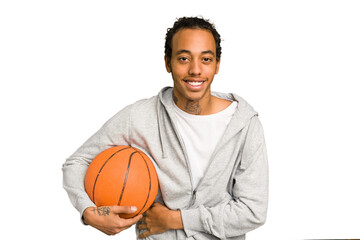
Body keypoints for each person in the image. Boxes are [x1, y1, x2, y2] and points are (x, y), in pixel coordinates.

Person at [62, 16, 268, 240]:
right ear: (168, 62)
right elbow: (77, 162)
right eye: (183, 58)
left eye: (206, 59)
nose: (195, 70)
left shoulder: (245, 124)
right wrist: (89, 213)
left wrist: (175, 219)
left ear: (217, 64)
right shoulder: (140, 117)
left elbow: (252, 212)